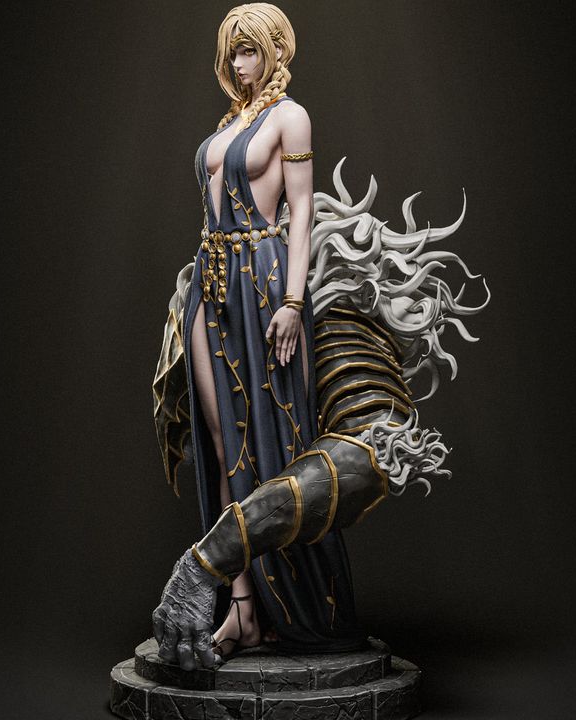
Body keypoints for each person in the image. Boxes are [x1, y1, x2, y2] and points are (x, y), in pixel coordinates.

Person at [179, 3, 364, 657]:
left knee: (276, 444)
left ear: (276, 51)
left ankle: (296, 604)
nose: (239, 63)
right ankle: (242, 610)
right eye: (233, 51)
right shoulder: (230, 122)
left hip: (263, 283)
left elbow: (302, 208)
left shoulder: (291, 117)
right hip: (212, 285)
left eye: (250, 49)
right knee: (223, 446)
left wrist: (292, 299)